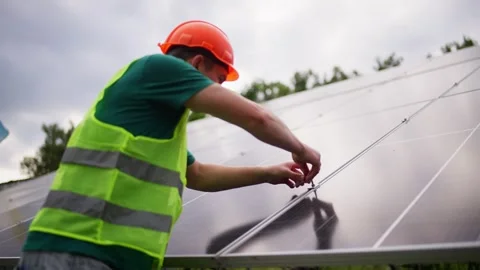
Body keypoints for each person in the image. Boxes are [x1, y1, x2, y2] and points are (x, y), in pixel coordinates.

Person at [16, 20, 321, 270]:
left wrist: (268, 172)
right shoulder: (157, 69)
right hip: (78, 254)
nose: (217, 89)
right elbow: (257, 118)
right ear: (196, 63)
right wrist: (300, 148)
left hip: (95, 258)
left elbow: (198, 175)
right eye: (217, 79)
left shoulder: (157, 121)